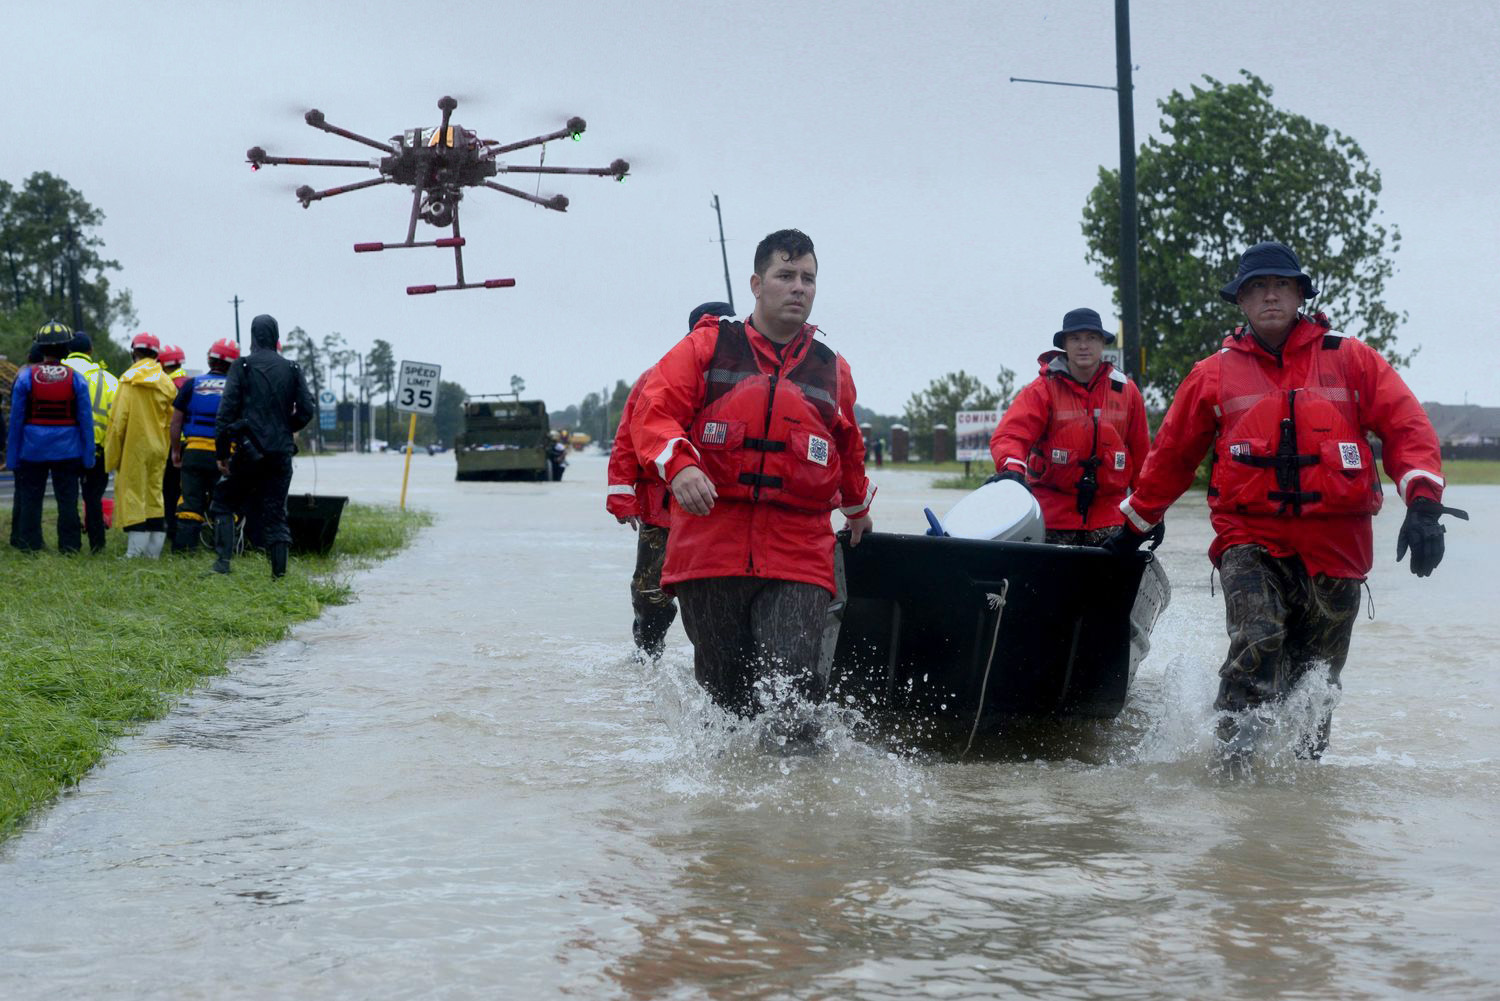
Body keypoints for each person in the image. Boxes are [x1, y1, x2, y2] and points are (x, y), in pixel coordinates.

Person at [1103, 241, 1462, 758]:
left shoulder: (1352, 359)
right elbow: (1172, 456)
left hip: (1337, 547)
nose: (1270, 296)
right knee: (1259, 637)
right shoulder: (1212, 373)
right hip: (1249, 538)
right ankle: (1233, 766)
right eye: (1257, 288)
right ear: (1241, 302)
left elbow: (1407, 425)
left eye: (1281, 286)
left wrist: (1424, 505)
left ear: (1299, 295)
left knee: (1316, 682)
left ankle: (1302, 795)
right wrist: (1133, 527)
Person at [630, 229, 875, 722]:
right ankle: (726, 798)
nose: (799, 287)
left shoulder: (834, 370)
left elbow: (849, 450)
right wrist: (679, 467)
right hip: (710, 549)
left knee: (793, 694)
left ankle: (798, 791)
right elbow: (651, 414)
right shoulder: (706, 349)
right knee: (726, 704)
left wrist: (857, 510)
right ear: (756, 284)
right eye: (786, 276)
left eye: (808, 278)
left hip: (798, 552)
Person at [607, 300, 733, 660]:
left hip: (717, 510)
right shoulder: (658, 376)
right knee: (653, 593)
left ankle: (705, 664)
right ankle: (650, 656)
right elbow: (629, 439)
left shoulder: (748, 375)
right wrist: (622, 496)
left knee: (705, 591)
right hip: (662, 510)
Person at [989, 308, 1151, 545]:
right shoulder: (1042, 389)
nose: (1083, 345)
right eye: (1075, 338)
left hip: (1110, 518)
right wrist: (1011, 468)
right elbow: (1011, 435)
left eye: (1091, 338)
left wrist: (1149, 512)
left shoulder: (1128, 391)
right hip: (1052, 517)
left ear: (1103, 343)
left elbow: (1142, 456)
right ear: (1065, 343)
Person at [211, 314, 315, 578]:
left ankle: (222, 565)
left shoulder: (242, 366)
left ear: (253, 337)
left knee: (223, 501)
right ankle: (278, 577)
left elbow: (225, 414)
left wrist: (222, 453)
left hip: (248, 451)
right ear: (276, 336)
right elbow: (306, 410)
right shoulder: (293, 368)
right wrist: (284, 428)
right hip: (280, 453)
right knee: (276, 513)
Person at [6, 320, 94, 553]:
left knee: (31, 500)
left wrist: (13, 458)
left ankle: (30, 545)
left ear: (40, 348)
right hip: (68, 450)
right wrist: (88, 459)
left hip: (32, 450)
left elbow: (16, 422)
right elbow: (86, 422)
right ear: (67, 348)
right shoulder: (76, 378)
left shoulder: (26, 378)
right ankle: (70, 546)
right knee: (67, 501)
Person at [104, 332, 176, 558]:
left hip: (134, 447)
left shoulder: (128, 380)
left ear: (134, 352)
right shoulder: (167, 382)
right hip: (159, 448)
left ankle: (134, 554)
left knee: (133, 495)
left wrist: (111, 457)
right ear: (156, 354)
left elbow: (118, 423)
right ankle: (153, 553)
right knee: (155, 494)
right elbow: (171, 420)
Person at [169, 338, 239, 552]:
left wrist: (176, 450)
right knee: (225, 502)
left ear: (210, 359)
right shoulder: (237, 388)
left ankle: (184, 550)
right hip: (224, 455)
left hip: (194, 452)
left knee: (190, 501)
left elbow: (176, 421)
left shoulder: (193, 384)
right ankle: (223, 550)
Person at [62, 330, 119, 553]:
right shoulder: (108, 379)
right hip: (98, 449)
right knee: (93, 498)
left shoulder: (61, 373)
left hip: (65, 447)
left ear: (67, 350)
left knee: (66, 497)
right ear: (90, 351)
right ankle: (97, 544)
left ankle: (69, 545)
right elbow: (116, 418)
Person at [156, 343, 189, 545]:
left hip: (172, 446)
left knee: (170, 491)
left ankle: (173, 531)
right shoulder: (189, 382)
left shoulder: (166, 386)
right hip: (193, 445)